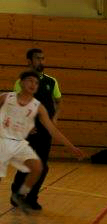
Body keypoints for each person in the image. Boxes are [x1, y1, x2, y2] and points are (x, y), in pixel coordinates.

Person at [4, 71, 84, 210]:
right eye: (30, 81)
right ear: (21, 83)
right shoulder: (7, 98)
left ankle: (22, 196)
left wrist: (71, 147)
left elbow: (53, 130)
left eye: (36, 82)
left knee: (39, 168)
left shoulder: (38, 107)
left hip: (20, 141)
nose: (33, 85)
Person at [10, 48, 62, 210]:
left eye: (43, 58)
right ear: (29, 61)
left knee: (43, 166)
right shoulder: (21, 82)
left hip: (46, 130)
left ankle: (32, 197)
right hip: (28, 131)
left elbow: (58, 101)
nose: (41, 61)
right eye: (37, 58)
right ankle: (17, 193)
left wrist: (54, 118)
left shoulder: (51, 81)